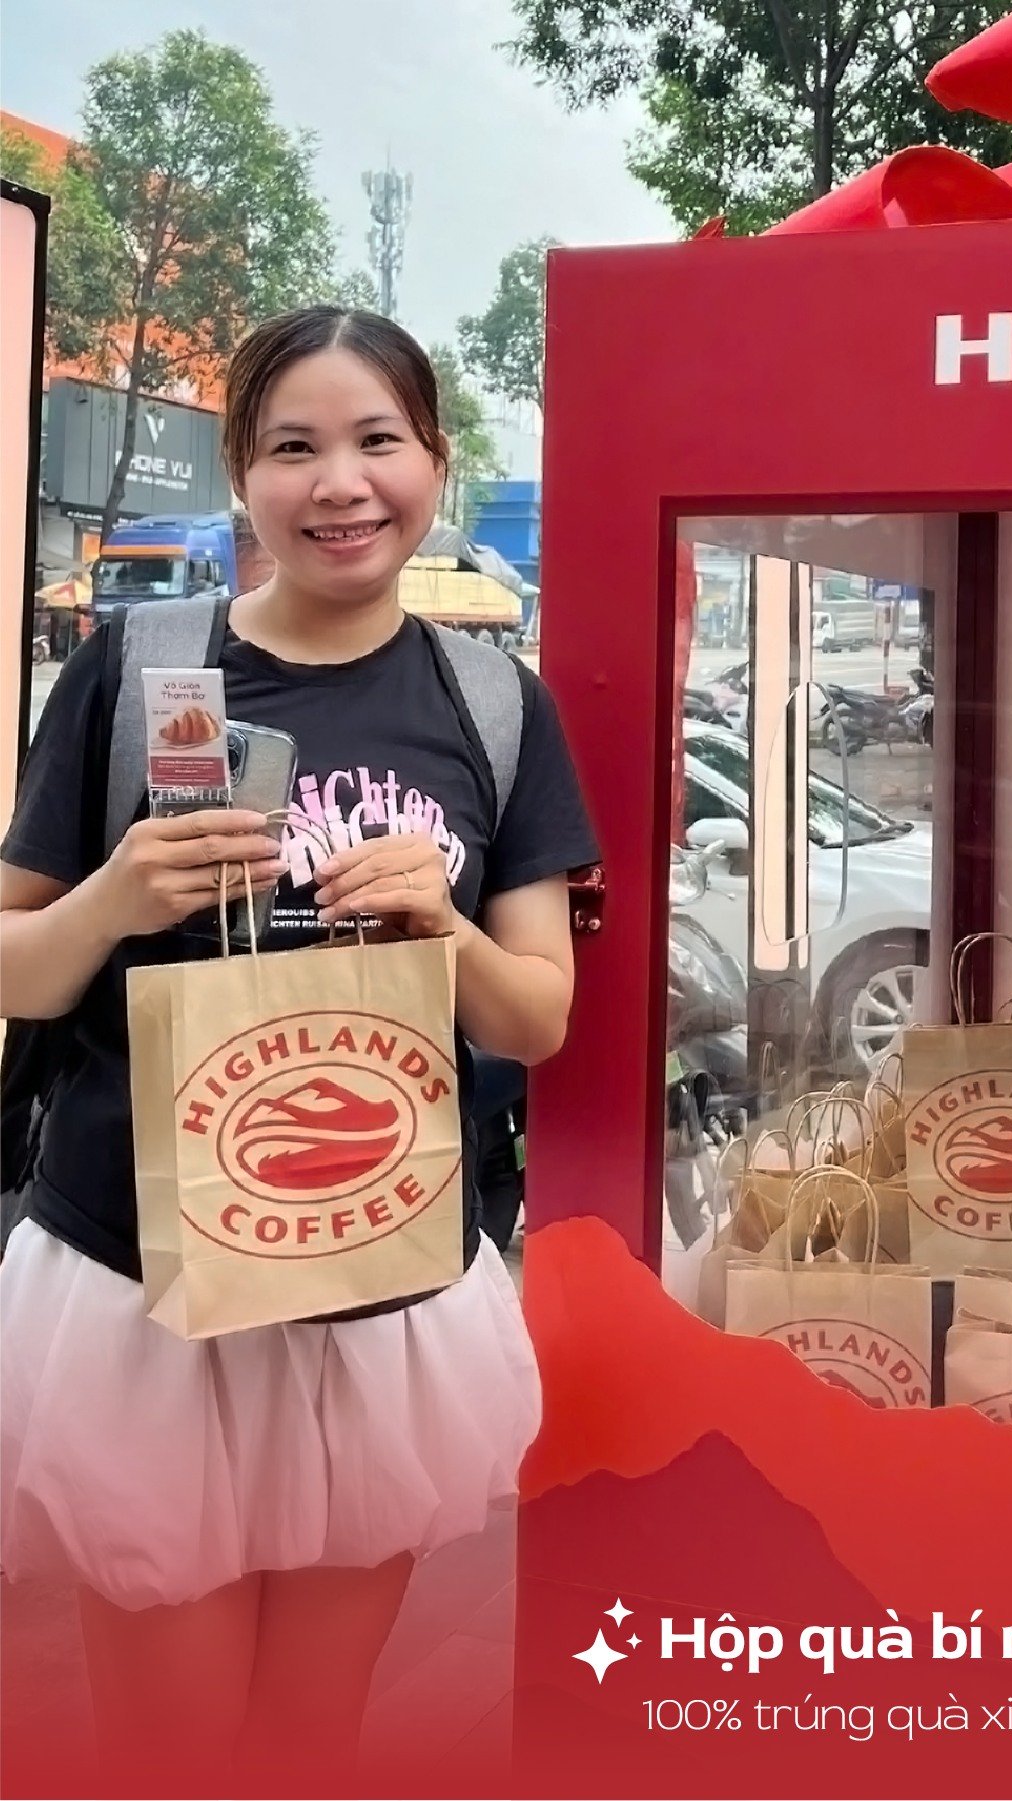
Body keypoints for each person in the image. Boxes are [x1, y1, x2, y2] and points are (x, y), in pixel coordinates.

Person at [0, 306, 599, 1795]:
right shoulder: (135, 671)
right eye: (294, 447)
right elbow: (12, 965)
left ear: (434, 462)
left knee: (310, 1746)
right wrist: (117, 893)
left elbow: (536, 1014)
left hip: (373, 1279)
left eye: (377, 441)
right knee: (170, 1750)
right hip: (149, 1294)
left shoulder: (492, 703)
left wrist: (437, 930)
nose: (341, 482)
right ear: (240, 474)